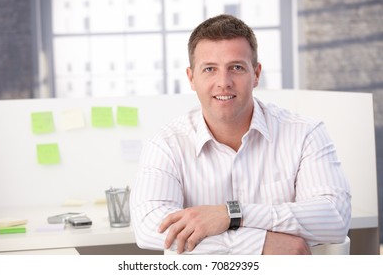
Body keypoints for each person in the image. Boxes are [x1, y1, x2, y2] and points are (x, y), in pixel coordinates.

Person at [130, 14, 351, 255]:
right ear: (191, 78)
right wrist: (260, 244)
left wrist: (231, 214)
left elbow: (334, 218)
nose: (223, 82)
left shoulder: (306, 133)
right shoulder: (166, 145)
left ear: (256, 74)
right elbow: (150, 227)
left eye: (236, 68)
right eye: (209, 69)